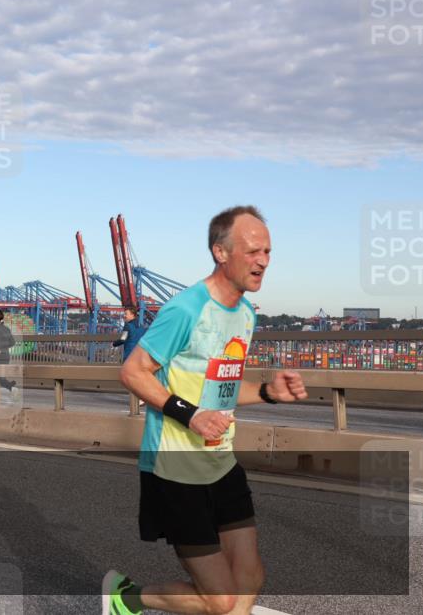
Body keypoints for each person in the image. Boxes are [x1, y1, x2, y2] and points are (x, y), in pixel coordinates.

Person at [102, 206, 309, 615]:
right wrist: (190, 414)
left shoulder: (245, 314)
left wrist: (267, 392)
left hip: (220, 461)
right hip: (175, 468)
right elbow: (133, 371)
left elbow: (221, 390)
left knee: (249, 579)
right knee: (221, 600)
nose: (263, 261)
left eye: (267, 251)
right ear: (220, 251)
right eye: (253, 251)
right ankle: (124, 598)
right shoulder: (186, 309)